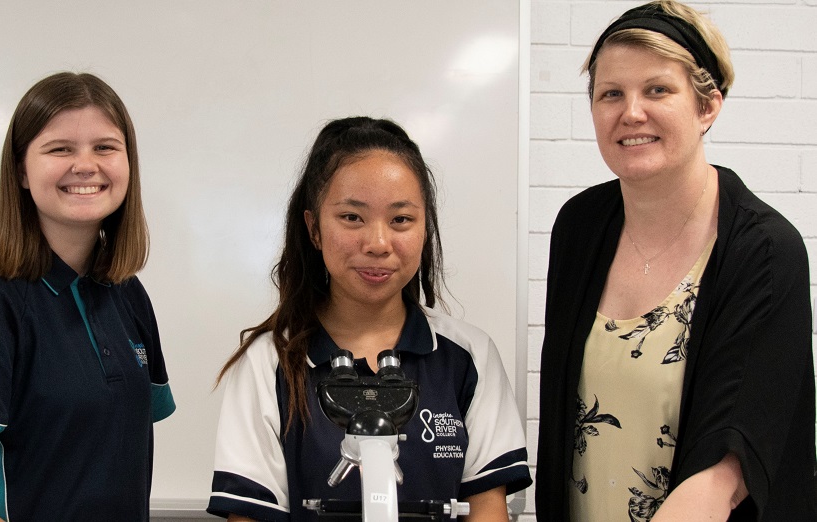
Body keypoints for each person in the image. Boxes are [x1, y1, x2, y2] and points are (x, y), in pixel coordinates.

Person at [535, 1, 816, 520]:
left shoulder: (765, 252)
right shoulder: (579, 227)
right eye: (611, 94)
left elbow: (725, 474)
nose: (631, 112)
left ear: (707, 106)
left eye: (657, 90)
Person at [206, 116, 531, 521]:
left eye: (400, 220)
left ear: (424, 228)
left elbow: (486, 509)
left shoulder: (468, 357)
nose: (377, 243)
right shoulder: (267, 364)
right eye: (352, 218)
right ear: (314, 228)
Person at [0, 72, 175, 521]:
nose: (86, 165)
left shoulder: (127, 295)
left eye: (105, 147)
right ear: (22, 170)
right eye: (60, 148)